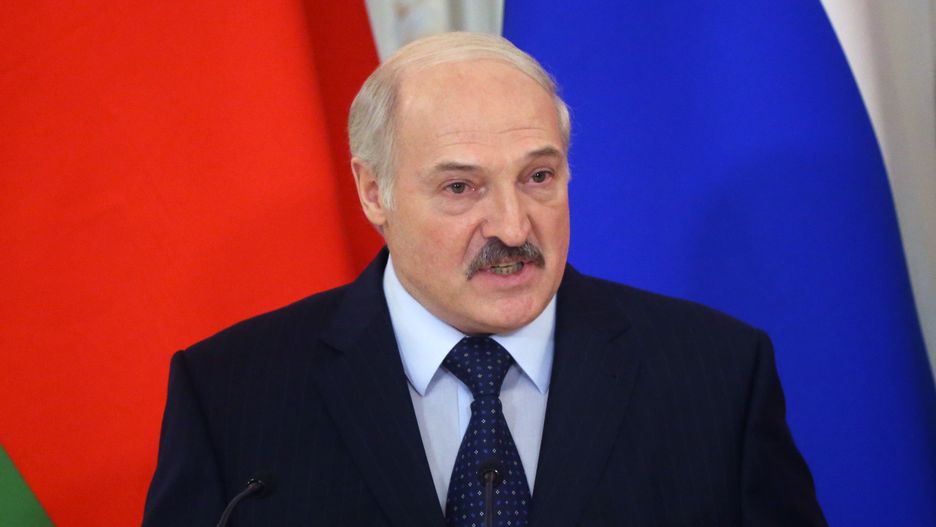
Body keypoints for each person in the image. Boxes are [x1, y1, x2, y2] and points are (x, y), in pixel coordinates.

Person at [142, 32, 827, 526]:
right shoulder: (232, 391)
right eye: (461, 187)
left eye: (538, 176)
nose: (512, 225)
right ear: (374, 192)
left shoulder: (717, 375)